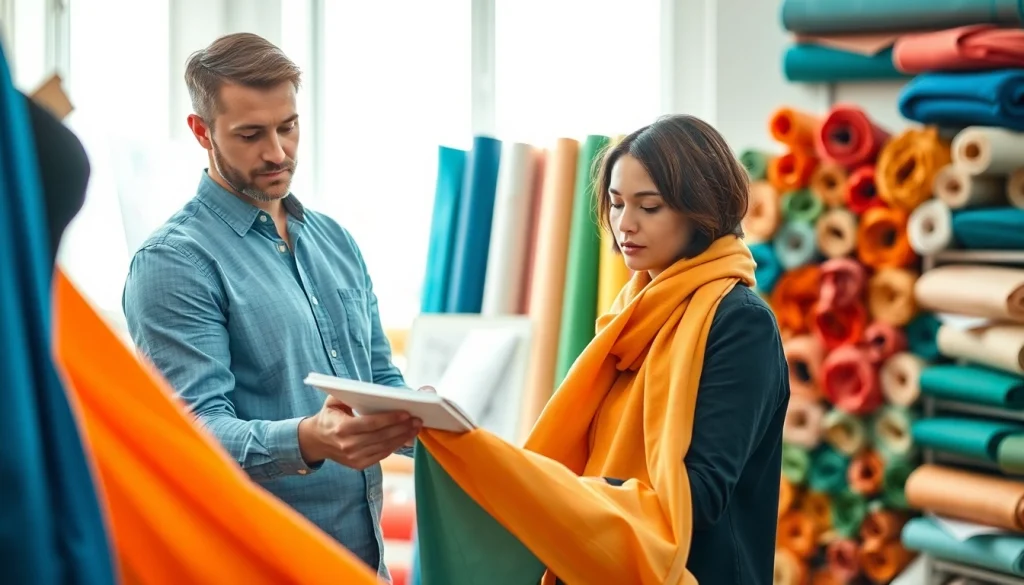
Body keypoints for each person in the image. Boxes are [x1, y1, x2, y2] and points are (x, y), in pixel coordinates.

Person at [415, 115, 790, 584]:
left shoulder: (739, 324)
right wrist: (459, 443)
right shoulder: (628, 317)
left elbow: (697, 500)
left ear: (702, 208)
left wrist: (541, 487)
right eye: (615, 204)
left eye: (648, 207)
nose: (624, 224)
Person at [121, 32, 421, 581]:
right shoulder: (174, 262)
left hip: (363, 565)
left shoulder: (336, 241)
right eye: (251, 134)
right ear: (202, 131)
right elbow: (193, 434)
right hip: (256, 567)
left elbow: (378, 379)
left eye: (288, 127)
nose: (278, 153)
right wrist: (309, 439)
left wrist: (428, 420)